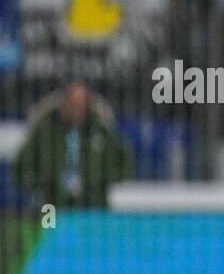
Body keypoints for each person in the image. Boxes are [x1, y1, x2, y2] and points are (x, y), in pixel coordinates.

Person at [12, 81, 134, 209]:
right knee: (49, 227)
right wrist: (44, 183)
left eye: (82, 105)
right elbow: (20, 168)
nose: (78, 110)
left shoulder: (100, 130)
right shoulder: (44, 131)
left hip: (93, 206)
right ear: (64, 103)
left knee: (90, 228)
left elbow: (126, 163)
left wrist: (102, 179)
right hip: (51, 205)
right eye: (74, 104)